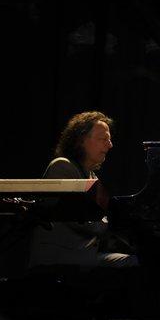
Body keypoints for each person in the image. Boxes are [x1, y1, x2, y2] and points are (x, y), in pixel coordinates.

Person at [29, 111, 138, 268]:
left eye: (110, 139)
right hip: (59, 257)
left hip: (81, 253)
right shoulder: (62, 166)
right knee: (131, 263)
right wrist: (116, 225)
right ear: (80, 140)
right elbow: (80, 221)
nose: (110, 145)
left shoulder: (92, 176)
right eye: (103, 139)